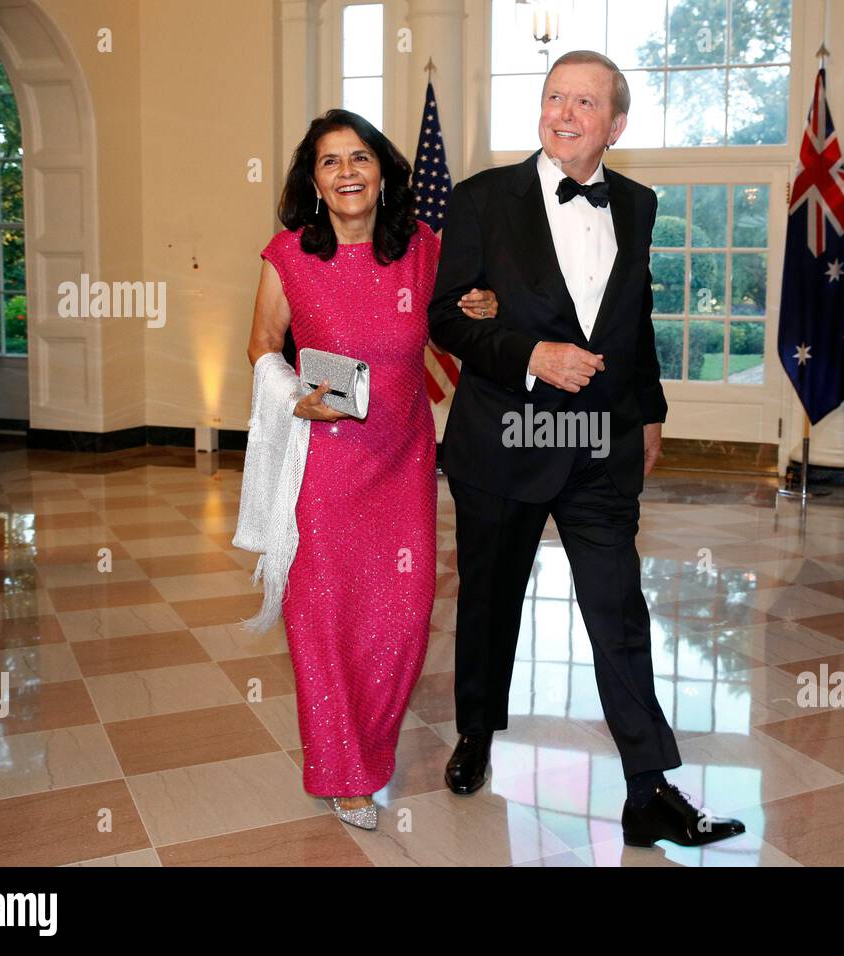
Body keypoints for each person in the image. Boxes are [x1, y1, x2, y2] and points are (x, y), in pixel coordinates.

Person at [429, 50, 745, 847]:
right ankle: (477, 732)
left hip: (600, 441)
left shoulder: (637, 204)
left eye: (585, 103)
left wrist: (650, 413)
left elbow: (631, 321)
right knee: (489, 599)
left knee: (618, 608)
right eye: (554, 98)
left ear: (617, 124)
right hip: (506, 432)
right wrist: (530, 356)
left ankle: (649, 791)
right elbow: (445, 317)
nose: (564, 115)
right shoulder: (480, 199)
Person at [242, 109, 497, 832]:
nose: (347, 171)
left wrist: (484, 303)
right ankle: (341, 769)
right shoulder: (288, 255)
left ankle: (369, 748)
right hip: (321, 467)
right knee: (321, 617)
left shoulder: (421, 248)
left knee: (405, 614)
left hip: (402, 461)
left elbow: (458, 315)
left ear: (383, 171)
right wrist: (294, 397)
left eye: (360, 157)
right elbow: (262, 345)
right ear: (313, 180)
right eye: (330, 161)